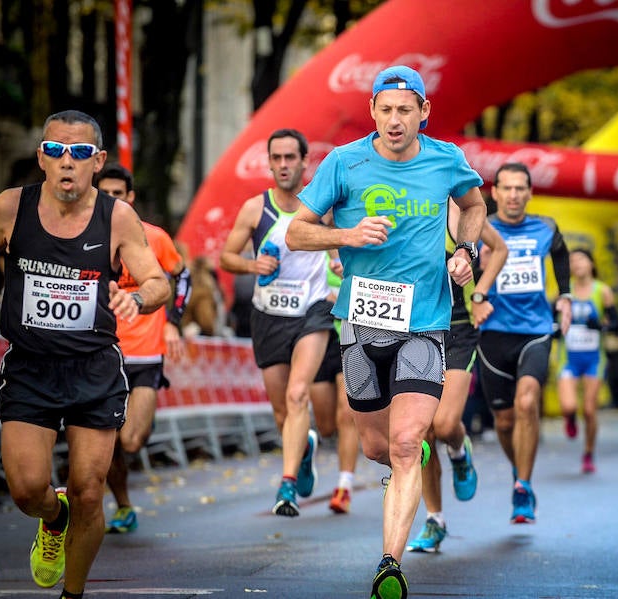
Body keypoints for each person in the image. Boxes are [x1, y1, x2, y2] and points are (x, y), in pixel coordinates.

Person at [285, 65, 486, 599]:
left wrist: (467, 251)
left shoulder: (447, 160)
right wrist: (347, 232)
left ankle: (389, 565)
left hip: (425, 324)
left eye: (406, 110)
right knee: (375, 445)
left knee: (403, 444)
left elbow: (473, 205)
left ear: (424, 113)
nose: (395, 120)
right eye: (386, 109)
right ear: (373, 112)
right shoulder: (344, 162)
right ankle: (405, 461)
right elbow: (297, 231)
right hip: (360, 323)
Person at [0, 110, 170, 599]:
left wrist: (135, 298)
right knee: (27, 488)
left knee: (89, 490)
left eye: (78, 153)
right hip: (31, 366)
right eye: (55, 150)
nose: (66, 162)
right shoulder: (11, 207)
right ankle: (53, 520)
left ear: (96, 161)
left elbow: (158, 280)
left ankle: (72, 595)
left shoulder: (117, 217)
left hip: (93, 367)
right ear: (41, 157)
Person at [219, 128, 332, 517]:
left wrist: (338, 261)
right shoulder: (255, 208)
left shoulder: (322, 206)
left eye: (290, 158)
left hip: (313, 312)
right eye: (276, 158)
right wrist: (252, 265)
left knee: (298, 395)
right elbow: (226, 257)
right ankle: (302, 451)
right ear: (269, 162)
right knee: (283, 411)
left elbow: (344, 244)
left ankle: (286, 488)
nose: (283, 165)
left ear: (304, 162)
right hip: (269, 314)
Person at [406, 200, 507, 553]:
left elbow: (498, 248)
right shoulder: (395, 202)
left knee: (446, 425)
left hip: (458, 330)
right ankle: (435, 520)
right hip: (414, 331)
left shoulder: (460, 211)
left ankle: (459, 451)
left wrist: (480, 293)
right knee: (421, 432)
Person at [96, 164, 191, 533]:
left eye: (118, 194)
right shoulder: (86, 239)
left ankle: (133, 435)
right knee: (107, 442)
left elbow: (182, 276)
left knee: (130, 440)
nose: (111, 201)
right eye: (104, 194)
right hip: (102, 351)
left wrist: (172, 322)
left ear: (130, 197)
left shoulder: (153, 236)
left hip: (146, 353)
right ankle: (122, 506)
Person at [476, 162, 572, 524]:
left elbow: (561, 253)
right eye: (507, 188)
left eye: (521, 189)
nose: (514, 195)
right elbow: (457, 270)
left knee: (527, 402)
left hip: (535, 329)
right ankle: (519, 470)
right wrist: (476, 291)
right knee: (503, 422)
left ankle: (523, 488)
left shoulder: (545, 227)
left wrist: (564, 295)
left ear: (530, 193)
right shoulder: (480, 229)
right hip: (493, 334)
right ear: (495, 193)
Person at [555, 248, 618, 474]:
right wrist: (554, 329)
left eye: (581, 259)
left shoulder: (602, 291)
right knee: (568, 406)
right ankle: (570, 418)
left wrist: (602, 326)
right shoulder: (566, 292)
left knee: (591, 411)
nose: (576, 264)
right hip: (568, 358)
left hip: (593, 359)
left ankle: (588, 453)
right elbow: (551, 320)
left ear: (591, 263)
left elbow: (617, 325)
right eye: (572, 261)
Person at [308, 256, 360, 514]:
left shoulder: (355, 236)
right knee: (326, 426)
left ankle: (344, 486)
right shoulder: (309, 238)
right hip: (314, 335)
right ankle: (308, 444)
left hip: (347, 333)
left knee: (346, 413)